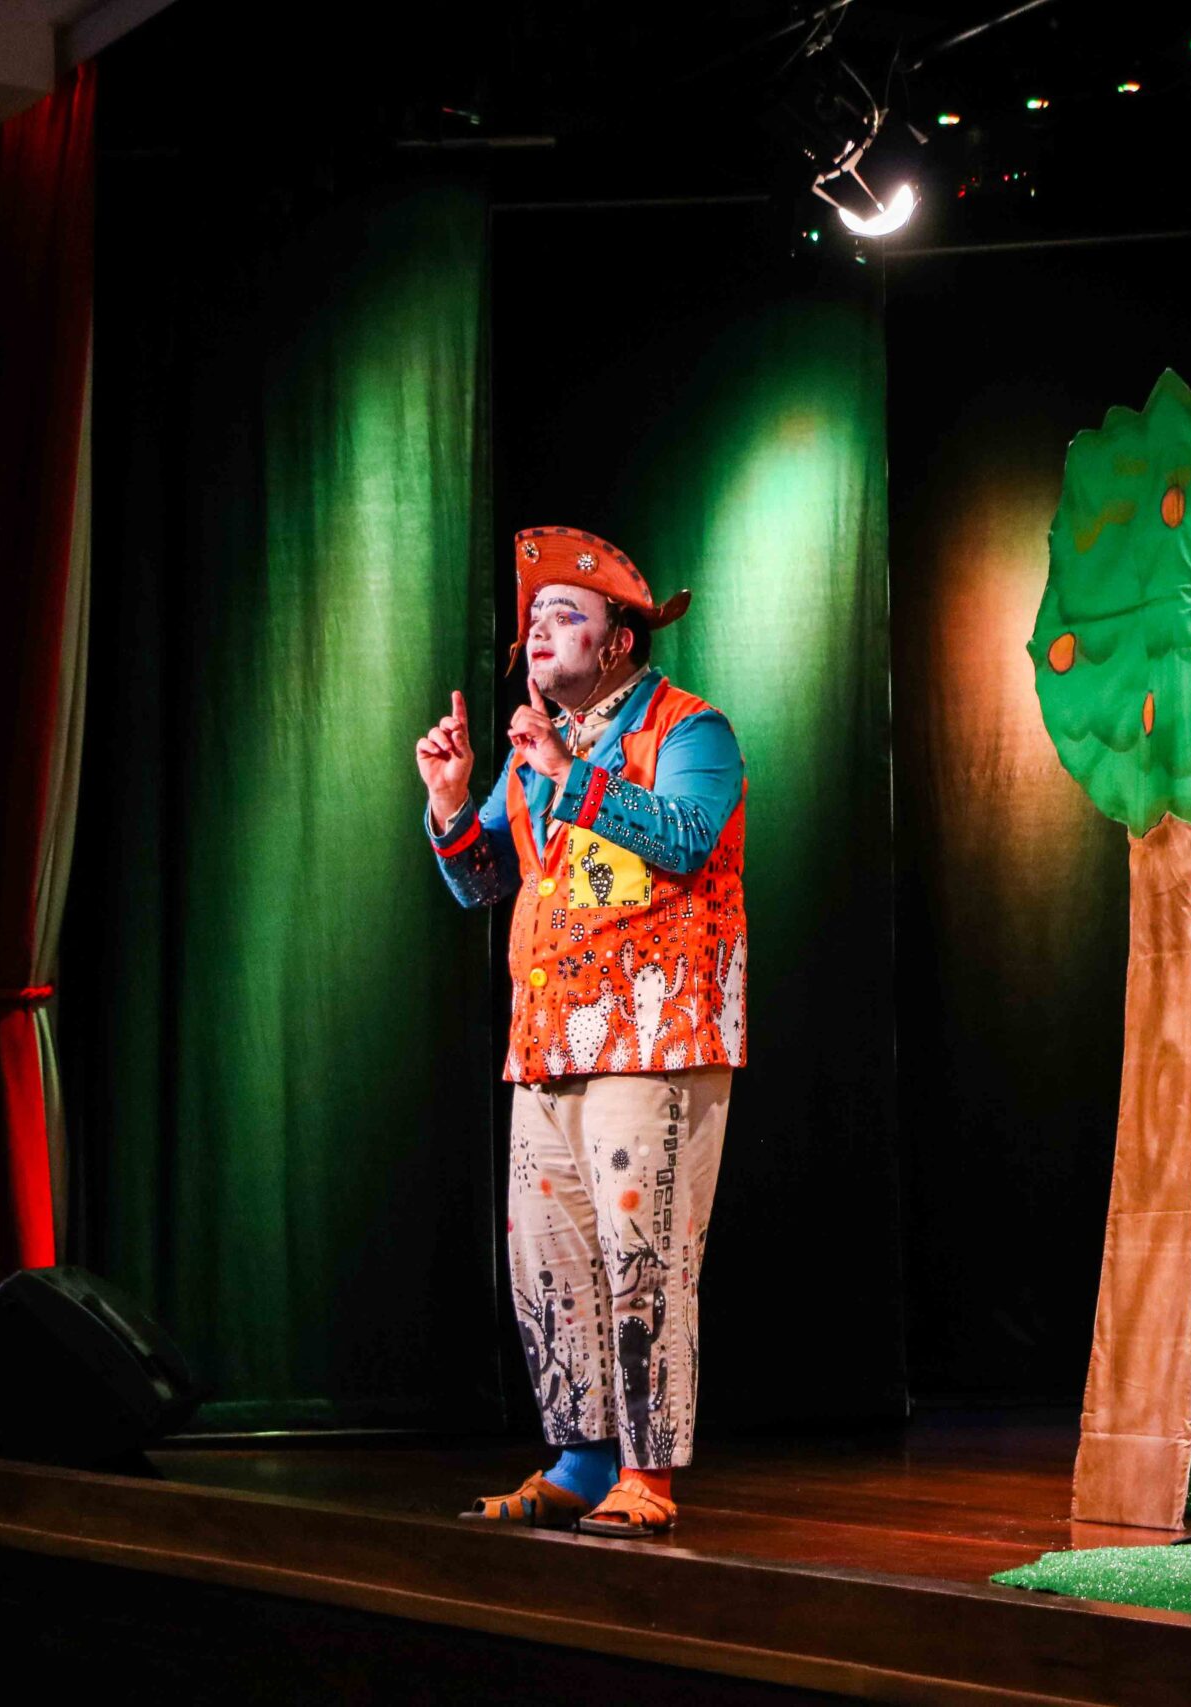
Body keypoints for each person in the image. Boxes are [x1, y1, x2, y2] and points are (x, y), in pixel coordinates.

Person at [415, 525, 748, 1538]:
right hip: (548, 1040)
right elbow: (484, 881)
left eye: (566, 614)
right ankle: (579, 1460)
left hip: (656, 1036)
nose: (541, 630)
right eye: (535, 619)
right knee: (551, 1266)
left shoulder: (692, 729)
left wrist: (565, 771)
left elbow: (685, 840)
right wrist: (449, 803)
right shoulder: (536, 750)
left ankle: (647, 1473)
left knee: (642, 1258)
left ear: (619, 641)